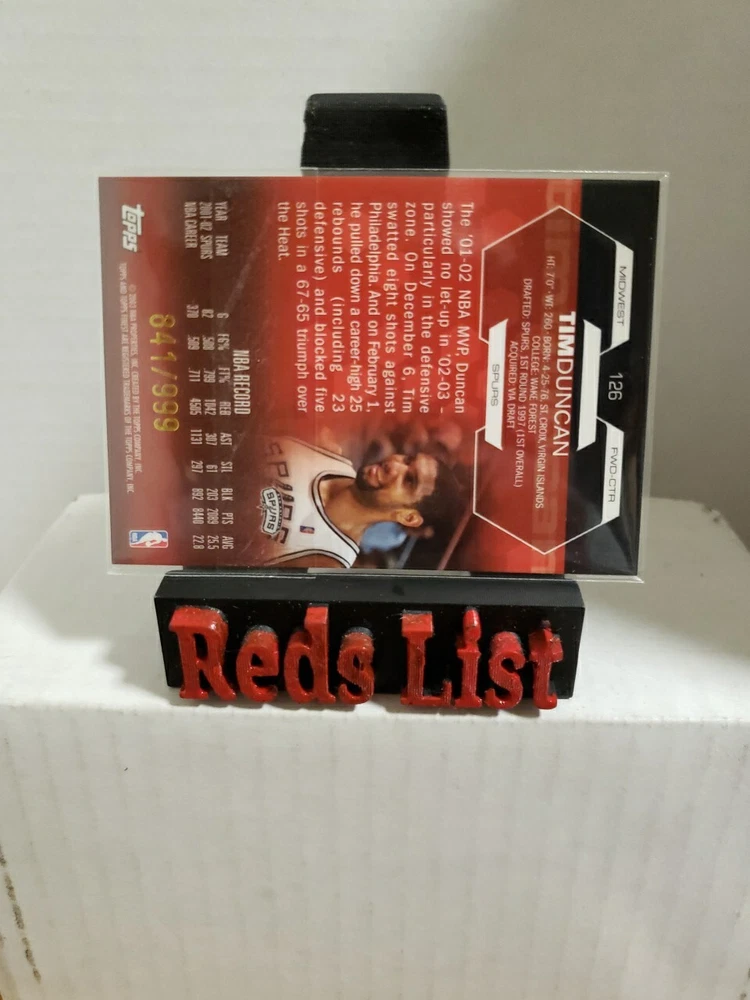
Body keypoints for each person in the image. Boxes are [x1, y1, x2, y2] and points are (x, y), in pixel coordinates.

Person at [258, 435, 457, 568]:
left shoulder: (327, 561)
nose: (394, 465)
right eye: (408, 459)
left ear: (408, 517)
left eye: (409, 480)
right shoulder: (327, 449)